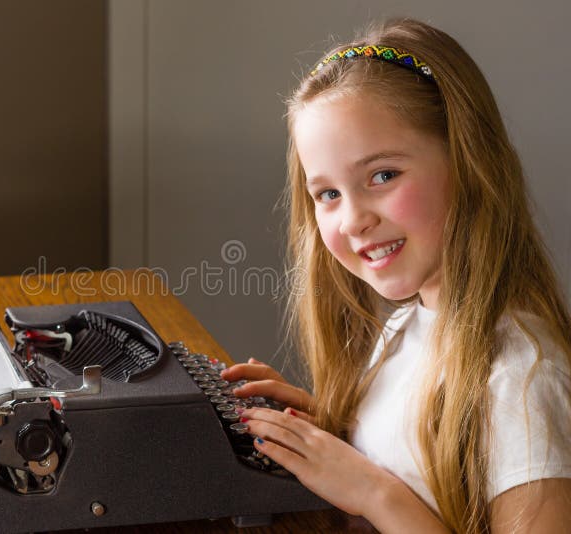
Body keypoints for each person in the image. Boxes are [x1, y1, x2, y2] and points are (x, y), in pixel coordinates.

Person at [221, 18, 571, 533]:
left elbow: (392, 498)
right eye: (328, 194)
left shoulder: (522, 381)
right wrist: (328, 440)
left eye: (382, 176)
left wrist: (372, 491)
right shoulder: (406, 328)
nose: (353, 219)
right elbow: (424, 474)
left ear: (469, 162)